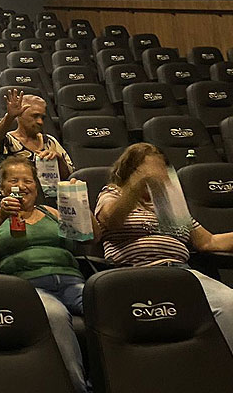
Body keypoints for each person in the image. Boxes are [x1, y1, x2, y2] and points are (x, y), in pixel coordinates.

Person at [0, 156, 95, 393]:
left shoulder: (51, 212)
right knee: (55, 315)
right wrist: (1, 214)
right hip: (28, 287)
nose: (22, 186)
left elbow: (90, 238)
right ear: (2, 188)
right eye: (14, 180)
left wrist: (81, 204)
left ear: (36, 186)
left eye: (28, 180)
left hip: (71, 281)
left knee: (106, 309)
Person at [95, 143, 233, 352]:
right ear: (130, 171)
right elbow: (110, 219)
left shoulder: (170, 204)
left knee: (229, 303)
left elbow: (208, 241)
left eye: (161, 170)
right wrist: (136, 185)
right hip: (136, 273)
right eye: (149, 170)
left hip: (181, 273)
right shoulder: (113, 194)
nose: (157, 176)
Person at [0, 90, 73, 179]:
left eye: (42, 117)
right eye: (35, 116)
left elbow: (69, 174)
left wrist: (59, 159)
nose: (40, 122)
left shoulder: (50, 141)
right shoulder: (10, 141)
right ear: (20, 114)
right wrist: (10, 117)